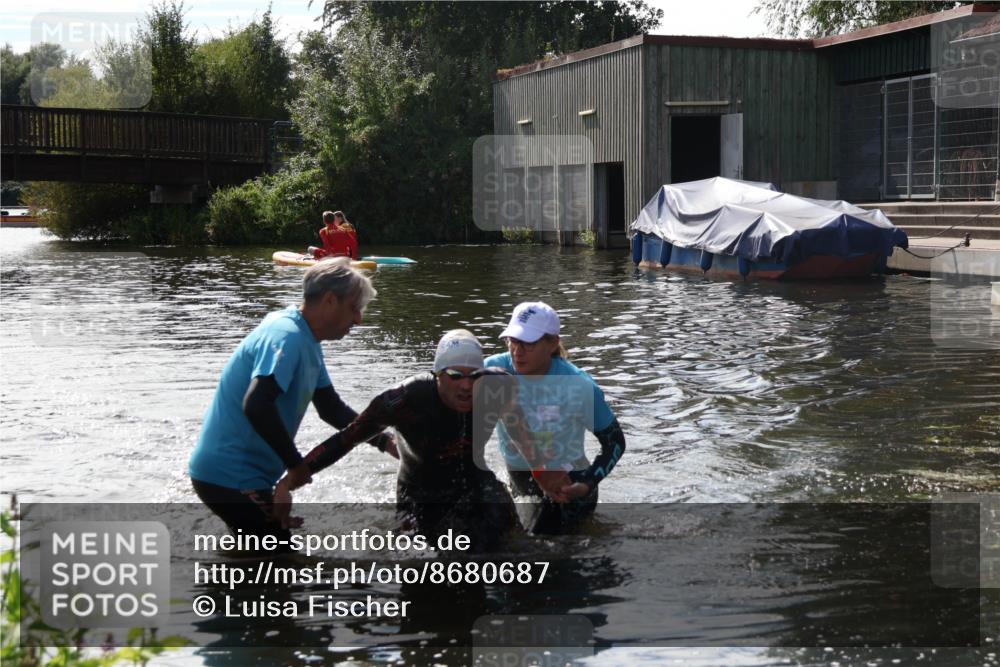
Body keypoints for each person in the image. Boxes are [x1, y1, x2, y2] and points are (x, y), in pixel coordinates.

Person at [278, 330, 565, 551]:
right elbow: (346, 439)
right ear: (437, 374)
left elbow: (524, 439)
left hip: (475, 483)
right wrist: (289, 482)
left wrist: (545, 477)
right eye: (455, 375)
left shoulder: (499, 388)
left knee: (510, 546)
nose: (466, 386)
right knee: (418, 562)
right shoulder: (404, 400)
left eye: (474, 376)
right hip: (419, 494)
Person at [188, 257, 392, 544]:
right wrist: (296, 466)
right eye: (354, 308)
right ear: (331, 301)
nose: (359, 319)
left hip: (246, 477)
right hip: (229, 477)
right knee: (280, 565)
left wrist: (385, 441)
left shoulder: (306, 338)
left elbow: (331, 408)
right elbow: (256, 404)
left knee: (263, 559)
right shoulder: (287, 336)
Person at [485, 301, 626, 534]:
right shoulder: (493, 371)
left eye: (528, 343)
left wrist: (587, 484)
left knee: (551, 554)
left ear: (552, 343)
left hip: (569, 483)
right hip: (522, 477)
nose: (517, 352)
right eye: (513, 341)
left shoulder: (579, 386)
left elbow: (615, 442)